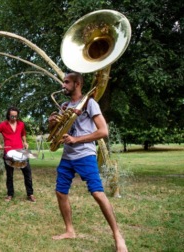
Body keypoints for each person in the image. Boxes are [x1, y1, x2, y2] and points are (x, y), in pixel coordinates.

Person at [48, 72, 127, 252]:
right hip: (68, 156)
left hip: (85, 154)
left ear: (77, 84)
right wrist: (52, 123)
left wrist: (77, 140)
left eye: (67, 82)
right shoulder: (65, 105)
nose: (63, 84)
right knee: (60, 192)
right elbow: (57, 130)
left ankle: (117, 235)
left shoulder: (90, 104)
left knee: (98, 193)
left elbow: (103, 131)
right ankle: (70, 230)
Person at [0, 106, 36, 202]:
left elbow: (23, 134)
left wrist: (25, 142)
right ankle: (10, 194)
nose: (14, 118)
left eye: (15, 116)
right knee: (10, 175)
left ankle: (30, 194)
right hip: (8, 153)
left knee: (27, 173)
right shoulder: (3, 125)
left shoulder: (21, 124)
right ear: (8, 115)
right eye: (12, 116)